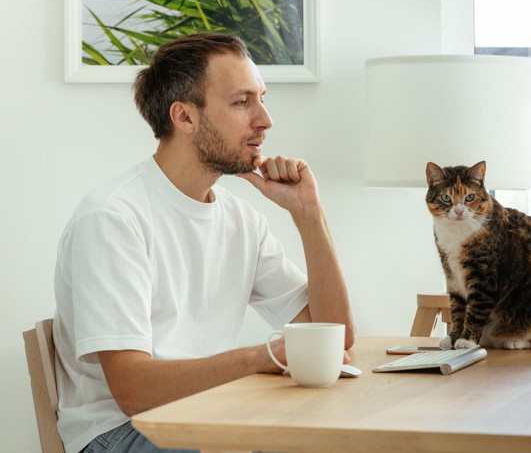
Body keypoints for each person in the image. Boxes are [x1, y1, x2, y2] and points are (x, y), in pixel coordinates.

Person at [52, 33, 356, 453]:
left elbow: (335, 339)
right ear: (185, 117)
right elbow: (133, 390)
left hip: (206, 413)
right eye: (242, 102)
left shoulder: (240, 219)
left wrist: (309, 215)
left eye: (262, 98)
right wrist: (258, 359)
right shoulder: (113, 218)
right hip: (122, 431)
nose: (265, 119)